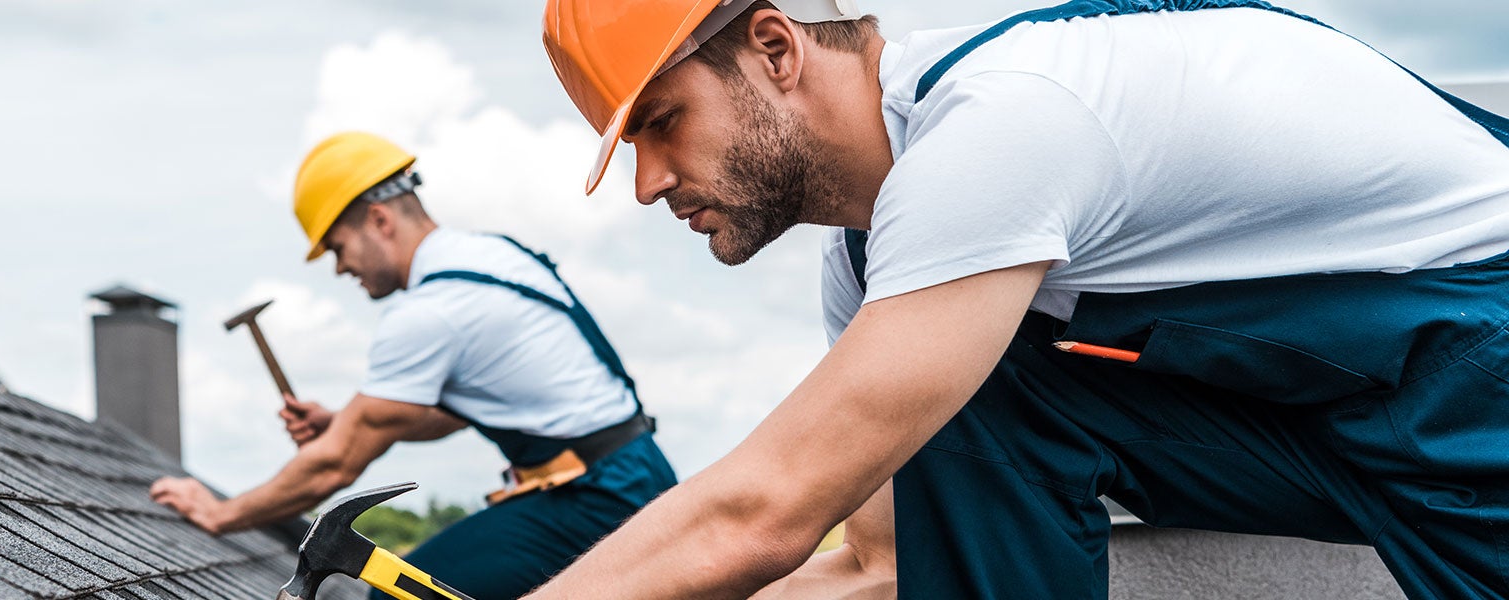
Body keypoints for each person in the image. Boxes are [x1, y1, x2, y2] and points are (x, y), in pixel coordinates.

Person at [527, 0, 1509, 598]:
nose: (649, 183)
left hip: (1478, 369)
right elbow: (886, 561)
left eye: (662, 123)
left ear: (776, 49)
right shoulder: (885, 267)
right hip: (1344, 408)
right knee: (973, 391)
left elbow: (760, 515)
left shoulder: (1003, 123)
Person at [149, 131, 676, 599]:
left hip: (597, 497)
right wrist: (344, 422)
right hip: (633, 472)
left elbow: (334, 466)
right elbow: (451, 412)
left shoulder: (431, 310)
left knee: (394, 593)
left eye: (338, 247)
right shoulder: (492, 257)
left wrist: (221, 512)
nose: (340, 268)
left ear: (378, 220)